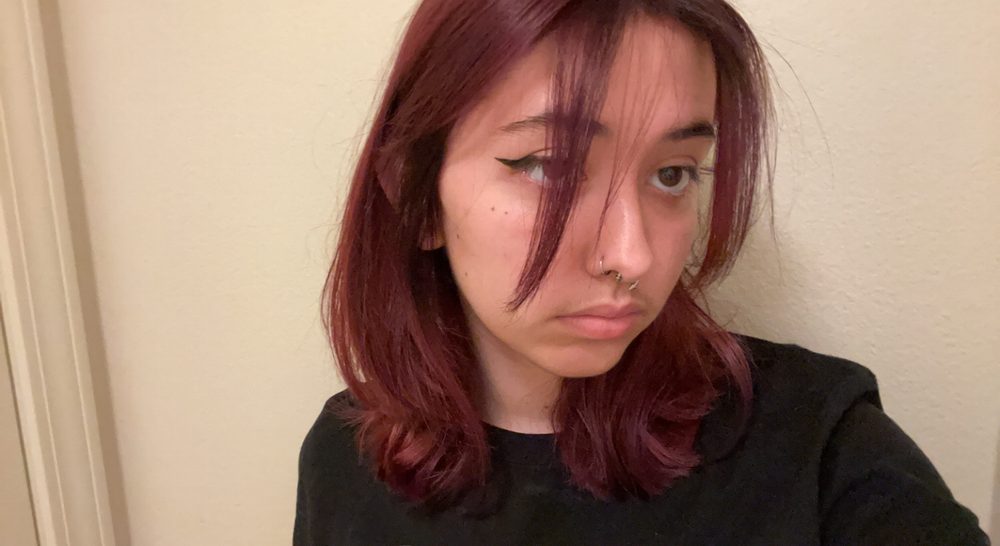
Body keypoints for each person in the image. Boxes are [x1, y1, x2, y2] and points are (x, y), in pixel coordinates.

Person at [294, 0, 990, 544]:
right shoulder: (347, 461)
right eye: (549, 167)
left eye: (673, 173)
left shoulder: (819, 447)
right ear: (417, 197)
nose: (633, 256)